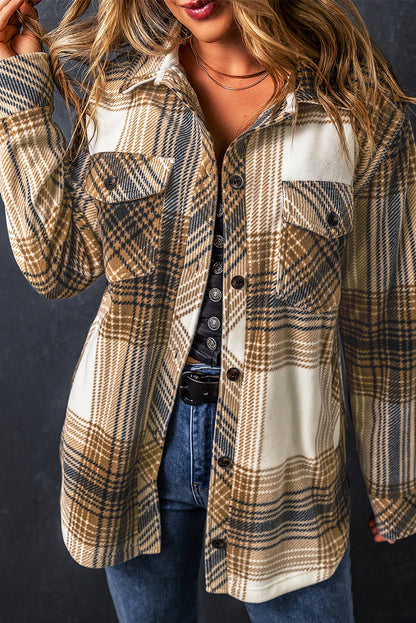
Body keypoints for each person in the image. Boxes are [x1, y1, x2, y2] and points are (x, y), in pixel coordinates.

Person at [0, 0, 415, 620]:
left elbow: (384, 322)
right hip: (126, 441)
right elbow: (54, 266)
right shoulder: (122, 90)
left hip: (284, 466)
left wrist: (396, 485)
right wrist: (18, 93)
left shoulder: (357, 108)